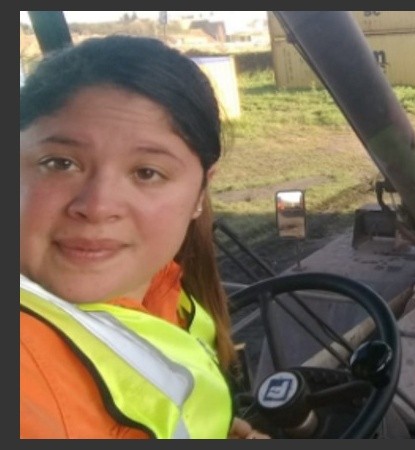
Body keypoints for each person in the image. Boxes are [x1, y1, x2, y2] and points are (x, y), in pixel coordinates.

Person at [20, 35, 268, 439]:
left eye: (146, 173)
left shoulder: (166, 292)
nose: (98, 207)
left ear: (200, 194)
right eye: (60, 163)